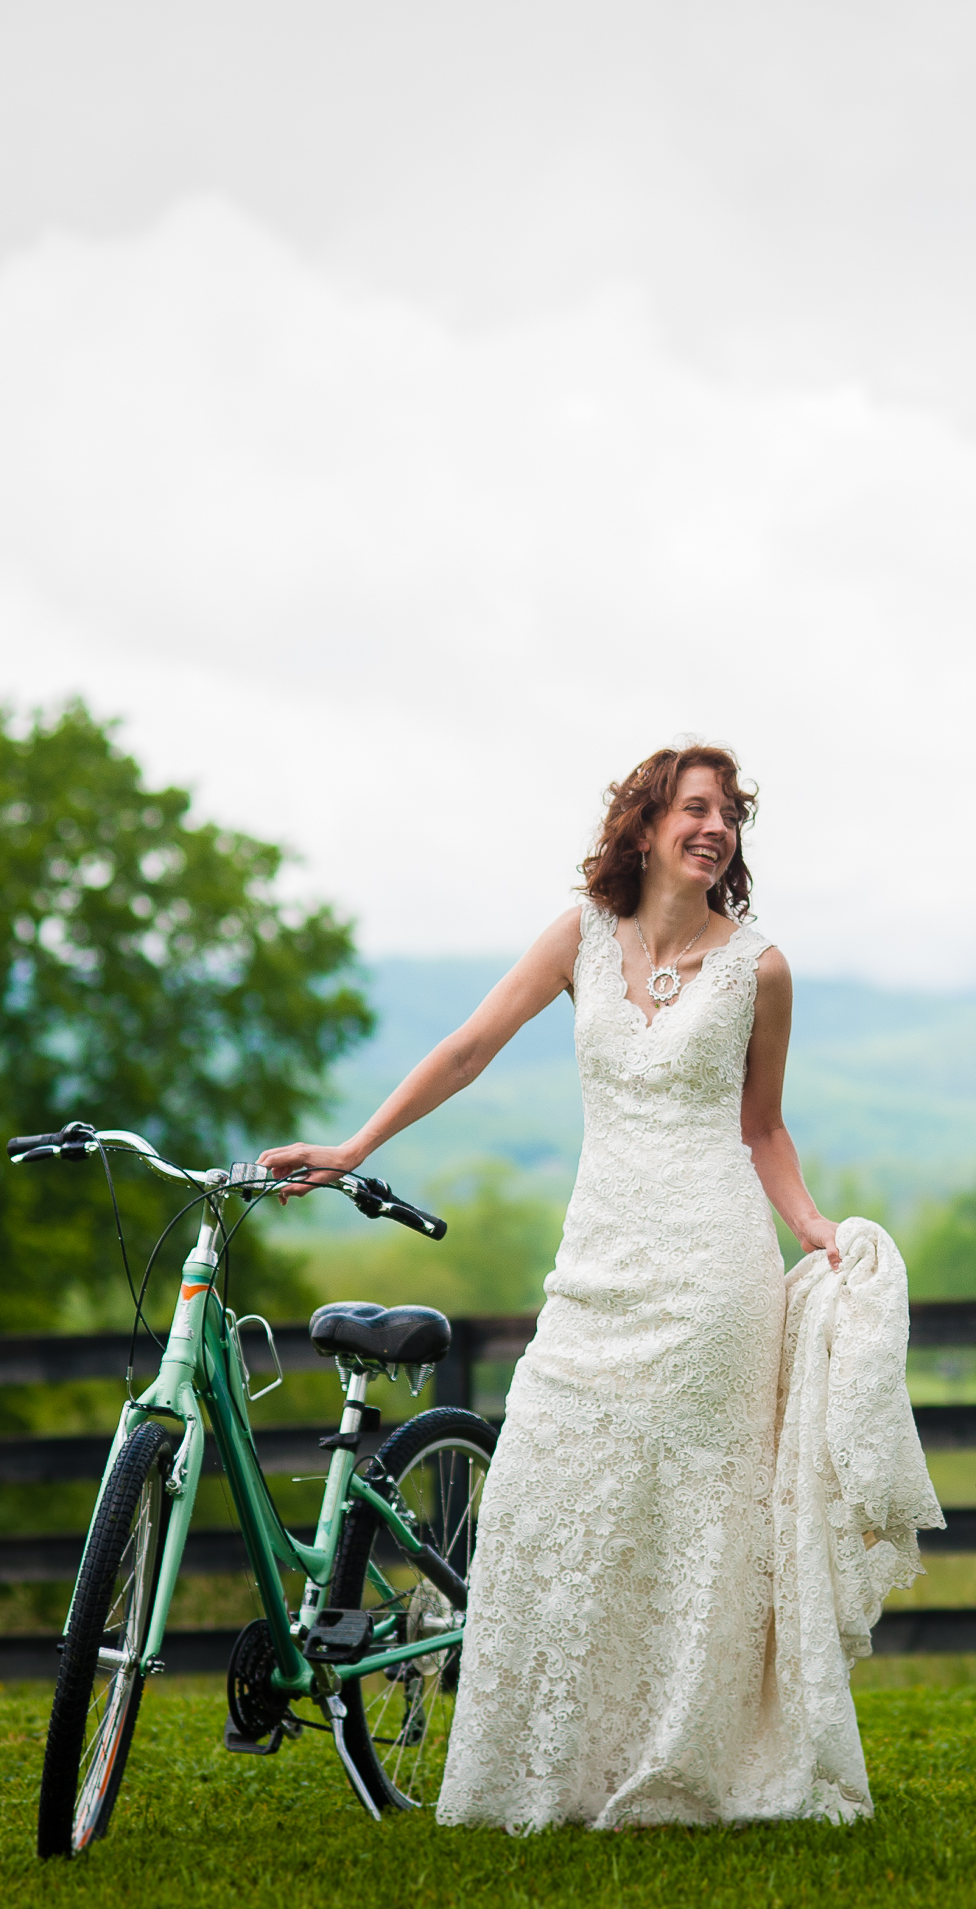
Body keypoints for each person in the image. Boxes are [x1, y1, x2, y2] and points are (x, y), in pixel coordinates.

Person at [259, 744, 868, 1830]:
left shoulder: (760, 969)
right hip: (595, 1267)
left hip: (715, 1274)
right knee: (544, 1487)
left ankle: (686, 1765)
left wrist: (813, 1228)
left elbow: (762, 1125)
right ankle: (551, 1768)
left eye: (728, 814)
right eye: (693, 808)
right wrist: (354, 1148)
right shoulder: (581, 935)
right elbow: (466, 1048)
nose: (715, 827)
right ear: (643, 827)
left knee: (689, 1516)